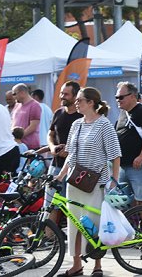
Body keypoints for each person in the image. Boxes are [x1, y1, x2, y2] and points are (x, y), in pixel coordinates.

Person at [55, 87, 121, 277]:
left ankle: (97, 265)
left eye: (80, 100)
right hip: (75, 182)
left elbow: (115, 155)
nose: (76, 102)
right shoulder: (76, 124)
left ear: (91, 102)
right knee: (74, 223)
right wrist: (60, 176)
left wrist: (114, 180)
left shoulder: (104, 124)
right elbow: (70, 154)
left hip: (95, 182)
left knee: (93, 224)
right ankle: (77, 265)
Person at [114, 82, 142, 214]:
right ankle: (133, 232)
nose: (118, 100)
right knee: (125, 201)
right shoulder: (123, 113)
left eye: (121, 97)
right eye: (116, 97)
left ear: (133, 96)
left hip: (141, 165)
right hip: (124, 165)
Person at [47, 81, 83, 226]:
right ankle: (48, 238)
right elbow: (50, 134)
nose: (62, 96)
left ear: (75, 96)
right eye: (61, 93)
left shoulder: (82, 117)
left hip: (76, 168)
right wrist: (52, 147)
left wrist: (69, 151)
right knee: (50, 203)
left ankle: (74, 237)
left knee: (72, 206)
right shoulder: (58, 113)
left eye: (65, 94)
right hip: (55, 165)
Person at [9, 84, 42, 149]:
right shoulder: (17, 105)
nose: (13, 97)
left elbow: (33, 126)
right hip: (16, 144)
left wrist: (18, 137)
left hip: (29, 145)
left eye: (14, 94)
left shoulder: (34, 105)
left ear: (22, 92)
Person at [31, 88, 53, 156]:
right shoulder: (48, 109)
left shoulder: (34, 107)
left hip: (36, 142)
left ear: (35, 96)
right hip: (46, 142)